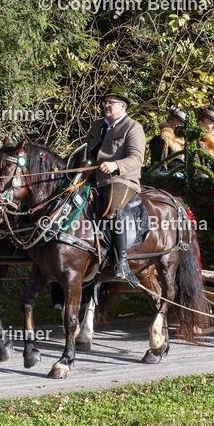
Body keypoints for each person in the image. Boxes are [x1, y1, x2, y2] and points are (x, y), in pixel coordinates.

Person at [86, 87, 146, 286]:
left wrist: (115, 165)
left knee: (114, 208)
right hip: (94, 177)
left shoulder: (133, 127)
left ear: (123, 106)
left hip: (122, 180)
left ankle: (121, 262)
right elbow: (88, 153)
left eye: (111, 102)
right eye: (105, 102)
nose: (106, 105)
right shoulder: (97, 126)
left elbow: (137, 158)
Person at [148, 107, 187, 173]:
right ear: (170, 120)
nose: (180, 125)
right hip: (167, 174)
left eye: (182, 122)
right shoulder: (160, 139)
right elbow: (156, 165)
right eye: (178, 121)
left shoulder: (184, 141)